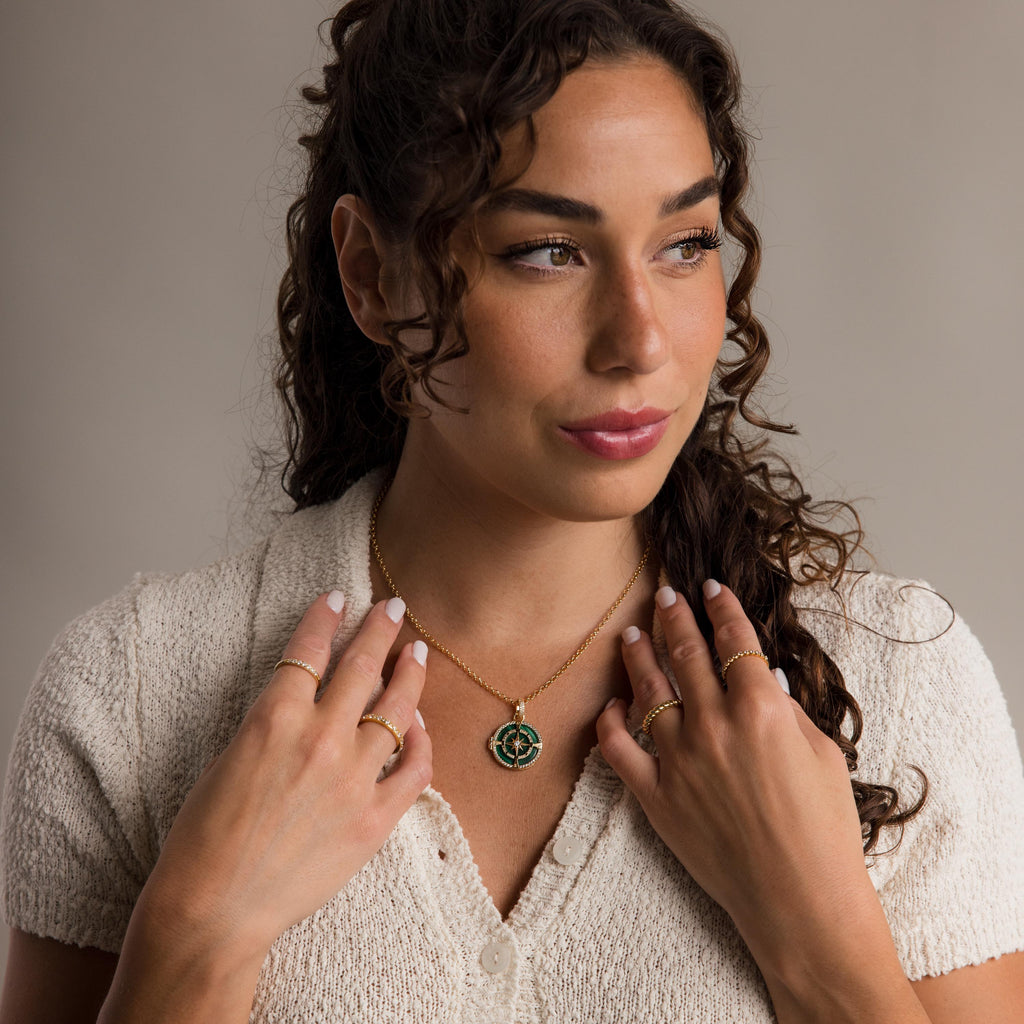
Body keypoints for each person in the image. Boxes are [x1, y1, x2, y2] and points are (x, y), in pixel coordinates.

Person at [2, 0, 1022, 1020]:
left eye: (684, 242)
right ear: (369, 274)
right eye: (546, 251)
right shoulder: (130, 692)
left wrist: (819, 935)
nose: (640, 341)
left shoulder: (891, 674)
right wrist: (197, 930)